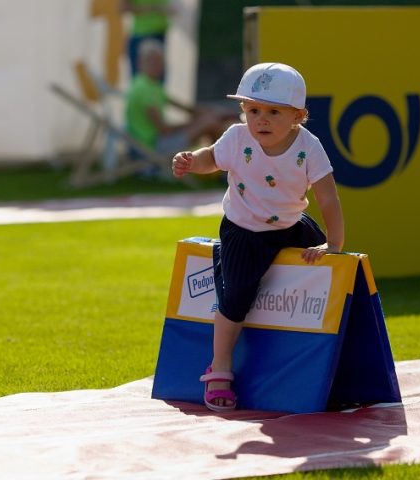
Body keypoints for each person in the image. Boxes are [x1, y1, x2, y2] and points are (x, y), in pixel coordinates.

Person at [171, 63, 345, 412]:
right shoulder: (237, 137)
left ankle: (333, 357)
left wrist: (334, 244)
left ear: (298, 116)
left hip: (290, 224)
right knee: (236, 295)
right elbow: (212, 158)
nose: (261, 120)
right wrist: (192, 162)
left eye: (273, 112)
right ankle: (220, 366)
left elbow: (328, 198)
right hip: (244, 229)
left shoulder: (309, 147)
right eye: (253, 111)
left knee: (328, 269)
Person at [125, 38, 233, 170]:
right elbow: (164, 129)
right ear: (141, 62)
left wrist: (215, 113)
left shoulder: (151, 85)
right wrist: (197, 122)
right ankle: (224, 168)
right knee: (211, 123)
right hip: (152, 146)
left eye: (160, 62)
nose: (158, 66)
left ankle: (220, 167)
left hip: (156, 141)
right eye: (153, 62)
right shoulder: (144, 89)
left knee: (211, 121)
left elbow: (187, 108)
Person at [121, 0, 174, 79]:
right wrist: (155, 8)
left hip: (160, 34)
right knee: (141, 80)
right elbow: (122, 7)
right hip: (142, 35)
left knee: (156, 81)